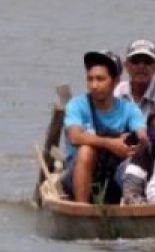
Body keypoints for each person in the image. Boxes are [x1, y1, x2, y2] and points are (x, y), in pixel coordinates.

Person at [61, 50, 147, 203]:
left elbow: (142, 136)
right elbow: (75, 136)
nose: (94, 85)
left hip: (113, 178)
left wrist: (131, 142)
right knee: (86, 150)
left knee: (136, 159)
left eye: (100, 79)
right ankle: (82, 210)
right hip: (76, 177)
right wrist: (111, 143)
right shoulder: (77, 105)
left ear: (115, 81)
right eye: (90, 79)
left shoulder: (129, 109)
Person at [114, 39, 155, 116]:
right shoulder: (117, 91)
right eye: (135, 61)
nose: (141, 66)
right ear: (126, 66)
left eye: (147, 61)